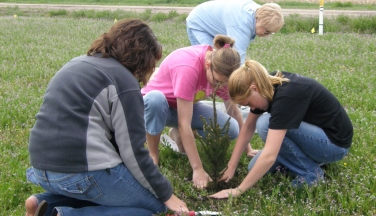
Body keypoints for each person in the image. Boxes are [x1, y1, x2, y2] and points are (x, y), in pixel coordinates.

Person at [21, 18, 190, 216]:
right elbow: (133, 152)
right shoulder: (124, 82)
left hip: (41, 167)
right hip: (82, 173)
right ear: (143, 58)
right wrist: (167, 195)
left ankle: (42, 205)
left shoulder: (76, 63)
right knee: (152, 208)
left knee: (114, 195)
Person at [210, 60, 353, 199]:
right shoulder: (267, 84)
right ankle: (310, 160)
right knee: (253, 167)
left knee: (265, 124)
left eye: (248, 104)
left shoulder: (286, 97)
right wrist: (231, 166)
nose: (252, 109)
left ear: (254, 88)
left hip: (333, 145)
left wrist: (238, 190)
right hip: (317, 136)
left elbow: (270, 155)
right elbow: (248, 127)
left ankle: (311, 174)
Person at [141, 34, 257, 190]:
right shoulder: (188, 67)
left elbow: (233, 111)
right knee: (155, 99)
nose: (220, 86)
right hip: (157, 107)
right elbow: (184, 123)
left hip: (185, 106)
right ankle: (153, 153)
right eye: (217, 81)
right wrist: (198, 169)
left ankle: (177, 135)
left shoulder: (223, 72)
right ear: (208, 64)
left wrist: (248, 148)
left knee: (231, 129)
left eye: (225, 83)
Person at [186, 0, 284, 65]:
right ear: (259, 20)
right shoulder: (240, 25)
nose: (267, 35)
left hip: (216, 27)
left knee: (222, 63)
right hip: (199, 24)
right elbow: (237, 60)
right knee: (210, 63)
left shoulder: (260, 13)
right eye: (267, 31)